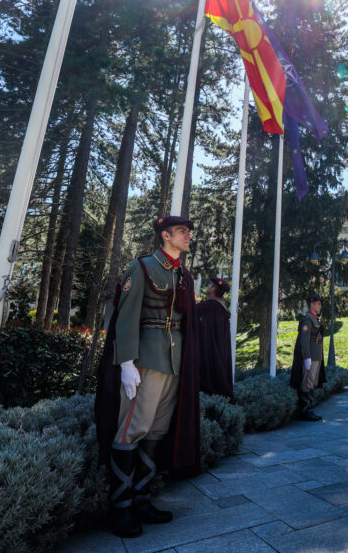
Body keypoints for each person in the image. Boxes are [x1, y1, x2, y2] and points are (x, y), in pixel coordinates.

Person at [94, 215, 201, 538]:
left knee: (156, 430)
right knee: (131, 430)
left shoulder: (183, 274)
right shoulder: (141, 268)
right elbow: (126, 317)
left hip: (174, 361)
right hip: (145, 359)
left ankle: (141, 500)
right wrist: (126, 362)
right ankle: (120, 508)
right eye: (182, 231)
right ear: (165, 235)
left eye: (188, 232)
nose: (188, 236)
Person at [195, 277, 234, 400]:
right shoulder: (221, 308)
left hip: (209, 357)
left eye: (210, 284)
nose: (207, 286)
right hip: (220, 355)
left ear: (213, 289)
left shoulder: (208, 307)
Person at [290, 295, 326, 420]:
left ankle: (310, 409)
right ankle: (305, 411)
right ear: (311, 304)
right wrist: (306, 357)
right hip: (310, 357)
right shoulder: (307, 320)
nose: (320, 306)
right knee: (306, 384)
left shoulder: (314, 319)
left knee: (312, 384)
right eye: (318, 304)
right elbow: (304, 340)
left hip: (317, 356)